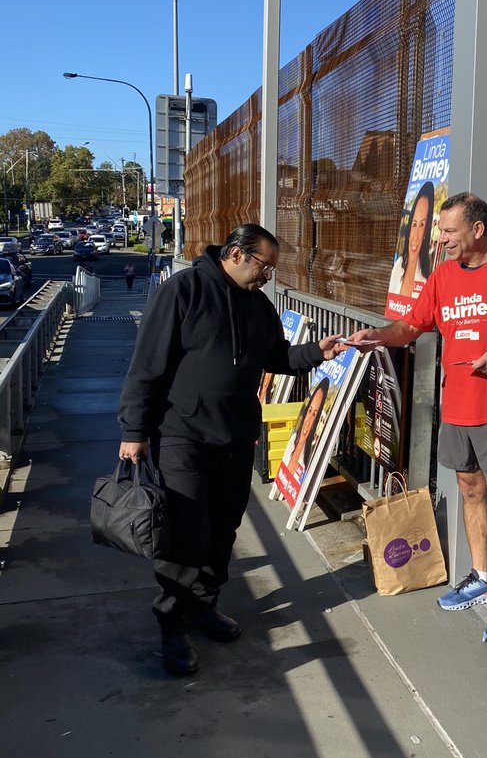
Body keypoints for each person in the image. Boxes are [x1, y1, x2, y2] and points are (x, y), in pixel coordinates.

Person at [117, 223, 342, 678]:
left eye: (273, 269)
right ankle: (172, 623)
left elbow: (276, 357)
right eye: (264, 266)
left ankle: (204, 606)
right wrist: (134, 429)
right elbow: (148, 364)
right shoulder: (184, 291)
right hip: (182, 435)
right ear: (237, 254)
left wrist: (317, 352)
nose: (268, 276)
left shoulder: (259, 306)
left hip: (237, 437)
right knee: (185, 531)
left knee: (222, 528)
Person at [348, 193, 487, 645]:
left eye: (448, 231)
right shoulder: (442, 277)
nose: (441, 240)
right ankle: (481, 574)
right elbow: (412, 327)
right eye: (440, 231)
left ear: (476, 230)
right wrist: (378, 336)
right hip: (457, 405)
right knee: (469, 488)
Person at [388, 182, 434, 298]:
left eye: (422, 225)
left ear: (426, 232)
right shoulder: (398, 266)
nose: (416, 236)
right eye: (414, 224)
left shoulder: (428, 279)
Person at [284, 377, 330, 482]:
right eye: (309, 411)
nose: (308, 421)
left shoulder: (310, 458)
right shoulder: (292, 440)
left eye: (314, 414)